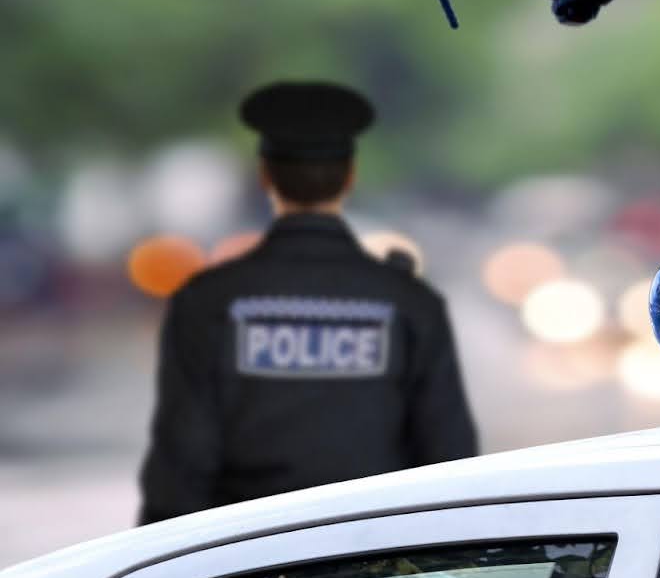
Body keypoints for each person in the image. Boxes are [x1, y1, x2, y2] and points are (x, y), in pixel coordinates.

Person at [137, 81, 478, 524]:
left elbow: (180, 467)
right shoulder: (411, 304)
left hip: (242, 568)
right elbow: (449, 463)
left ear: (265, 177)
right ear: (350, 176)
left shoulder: (206, 302)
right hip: (374, 566)